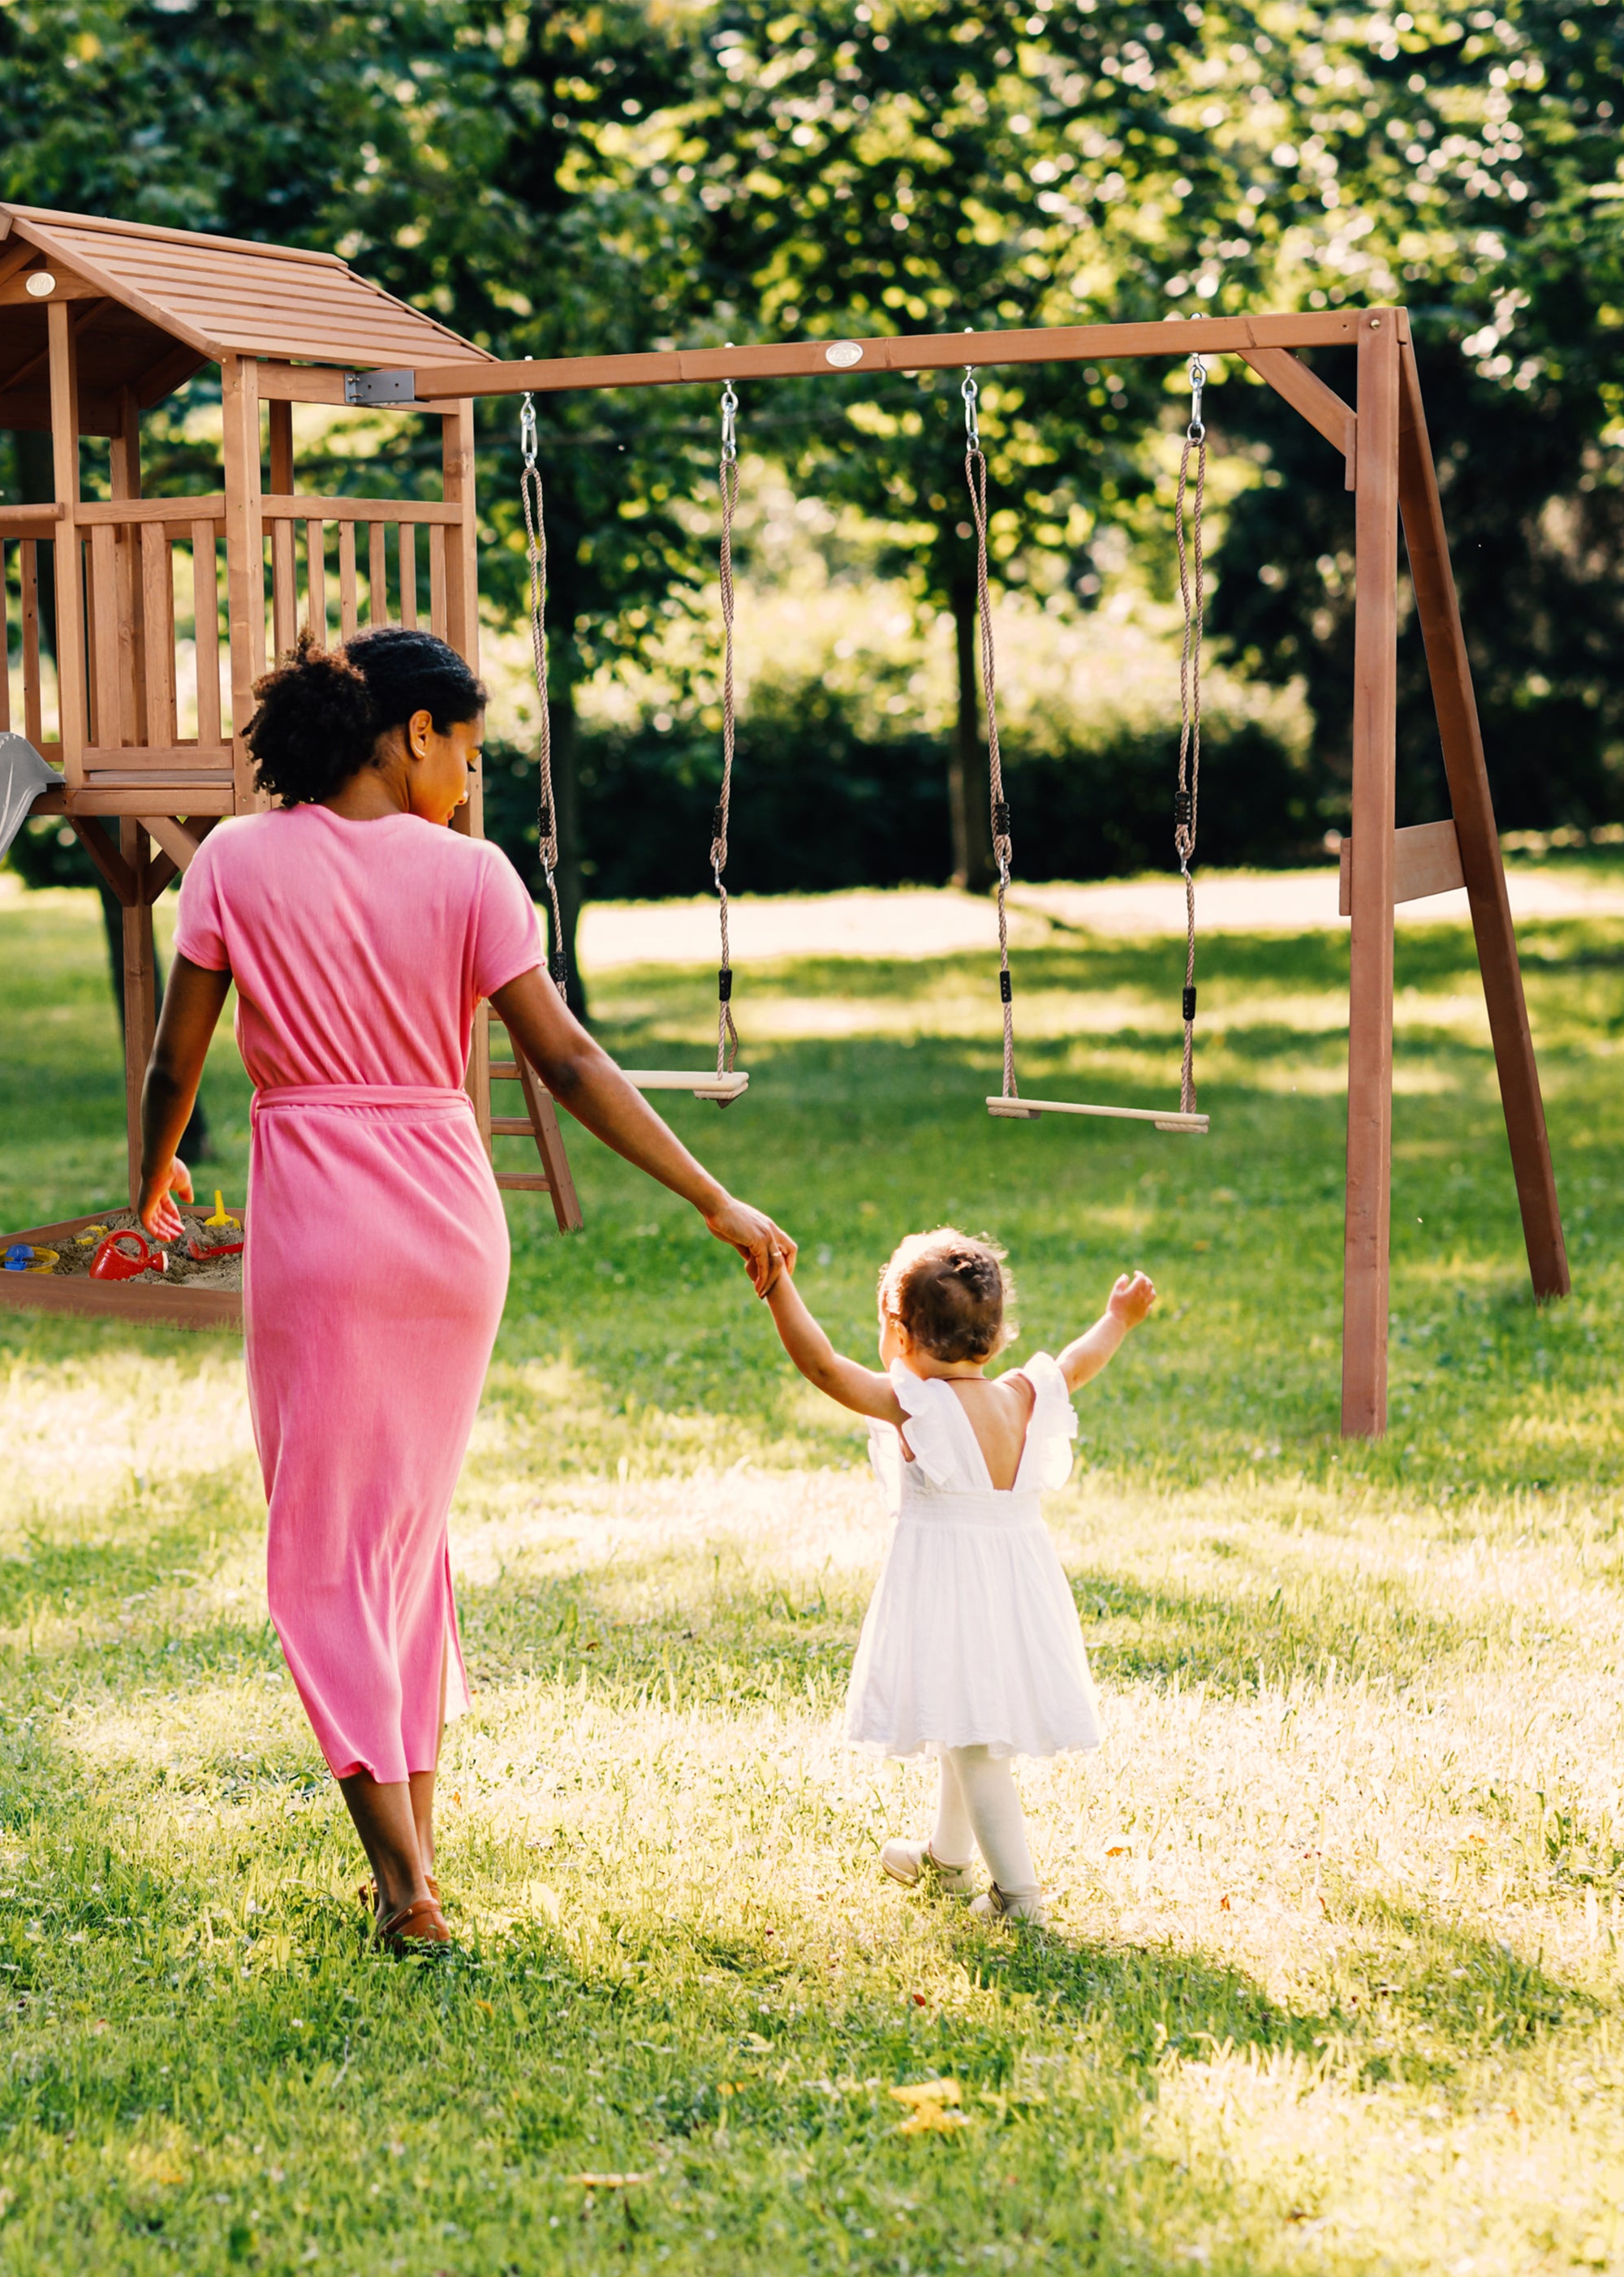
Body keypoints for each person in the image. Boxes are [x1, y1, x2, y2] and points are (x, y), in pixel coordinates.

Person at [134, 627, 795, 1951]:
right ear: (414, 733)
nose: (472, 785)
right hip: (449, 1225)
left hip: (319, 1225)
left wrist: (147, 1183)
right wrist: (711, 1195)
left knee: (324, 1552)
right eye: (470, 754)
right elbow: (567, 1063)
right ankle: (415, 1860)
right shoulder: (474, 878)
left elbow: (175, 1062)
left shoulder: (234, 863)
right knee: (401, 1542)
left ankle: (402, 1886)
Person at [759, 1229, 1157, 1925]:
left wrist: (777, 1285)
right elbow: (1077, 1361)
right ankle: (947, 1859)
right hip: (1015, 1589)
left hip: (953, 1592)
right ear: (996, 1337)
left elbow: (822, 1366)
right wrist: (1117, 1319)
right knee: (959, 1717)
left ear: (900, 1334)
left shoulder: (917, 1407)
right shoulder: (1023, 1395)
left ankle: (1018, 1897)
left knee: (974, 1744)